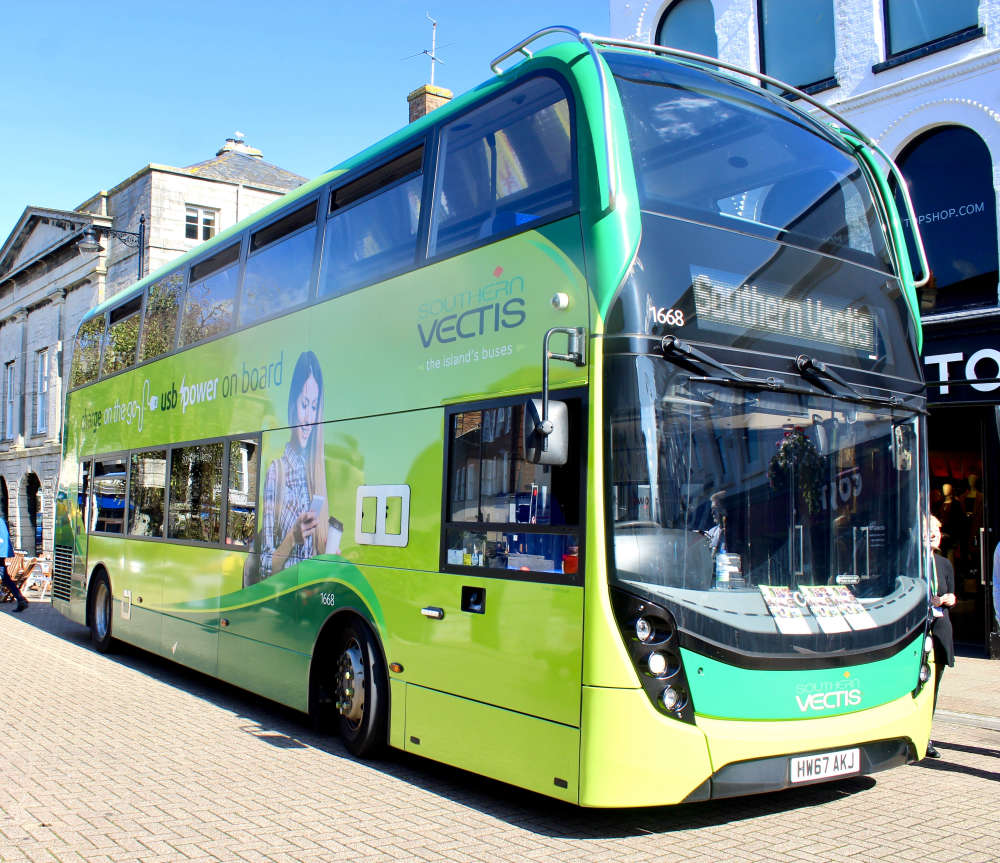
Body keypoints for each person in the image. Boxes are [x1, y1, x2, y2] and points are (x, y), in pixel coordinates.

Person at [259, 350, 331, 578]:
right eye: (304, 404)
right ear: (292, 406)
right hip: (286, 602)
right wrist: (293, 537)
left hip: (310, 600)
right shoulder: (276, 472)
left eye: (314, 406)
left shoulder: (316, 473)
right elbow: (265, 565)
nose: (309, 418)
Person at [926, 514, 956, 759]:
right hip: (921, 633)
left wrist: (949, 599)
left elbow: (952, 595)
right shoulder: (912, 563)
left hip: (941, 631)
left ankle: (927, 735)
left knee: (934, 686)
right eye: (929, 529)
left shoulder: (944, 563)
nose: (934, 533)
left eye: (937, 529)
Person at [0, 515, 27, 612]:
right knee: (6, 578)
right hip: (2, 553)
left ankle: (21, 599)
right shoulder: (1, 522)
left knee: (5, 578)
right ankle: (21, 599)